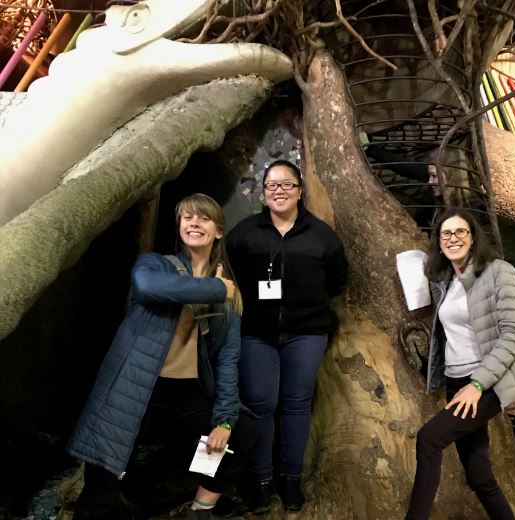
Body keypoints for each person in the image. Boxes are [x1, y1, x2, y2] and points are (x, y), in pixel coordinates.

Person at [67, 193, 256, 520]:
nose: (194, 222)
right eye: (187, 217)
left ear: (219, 231)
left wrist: (224, 420)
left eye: (203, 218)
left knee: (242, 433)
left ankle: (199, 507)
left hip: (187, 392)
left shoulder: (229, 289)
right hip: (139, 383)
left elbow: (227, 356)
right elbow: (146, 287)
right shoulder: (157, 263)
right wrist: (215, 290)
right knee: (108, 466)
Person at [404, 207, 515, 519]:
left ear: (473, 237)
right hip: (456, 380)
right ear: (438, 242)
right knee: (479, 475)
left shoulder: (499, 272)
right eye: (446, 234)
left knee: (429, 438)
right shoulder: (447, 279)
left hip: (486, 382)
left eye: (460, 232)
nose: (453, 238)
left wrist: (478, 384)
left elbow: (514, 335)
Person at [226, 160, 349, 512]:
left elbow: (338, 279)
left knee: (296, 404)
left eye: (286, 185)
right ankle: (261, 479)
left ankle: (290, 478)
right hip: (257, 334)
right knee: (261, 405)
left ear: (299, 190)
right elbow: (230, 274)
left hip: (306, 333)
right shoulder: (246, 233)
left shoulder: (321, 234)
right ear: (263, 192)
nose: (278, 190)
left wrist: (310, 306)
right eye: (271, 185)